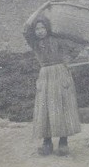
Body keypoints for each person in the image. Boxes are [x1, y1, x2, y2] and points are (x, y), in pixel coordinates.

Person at [26, 17, 81, 156]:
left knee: (63, 107)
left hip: (60, 73)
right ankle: (47, 143)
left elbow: (76, 48)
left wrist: (67, 59)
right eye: (37, 29)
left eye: (42, 28)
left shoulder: (58, 40)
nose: (40, 31)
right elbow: (25, 29)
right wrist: (42, 8)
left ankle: (63, 143)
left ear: (48, 29)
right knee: (45, 108)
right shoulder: (35, 44)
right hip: (45, 75)